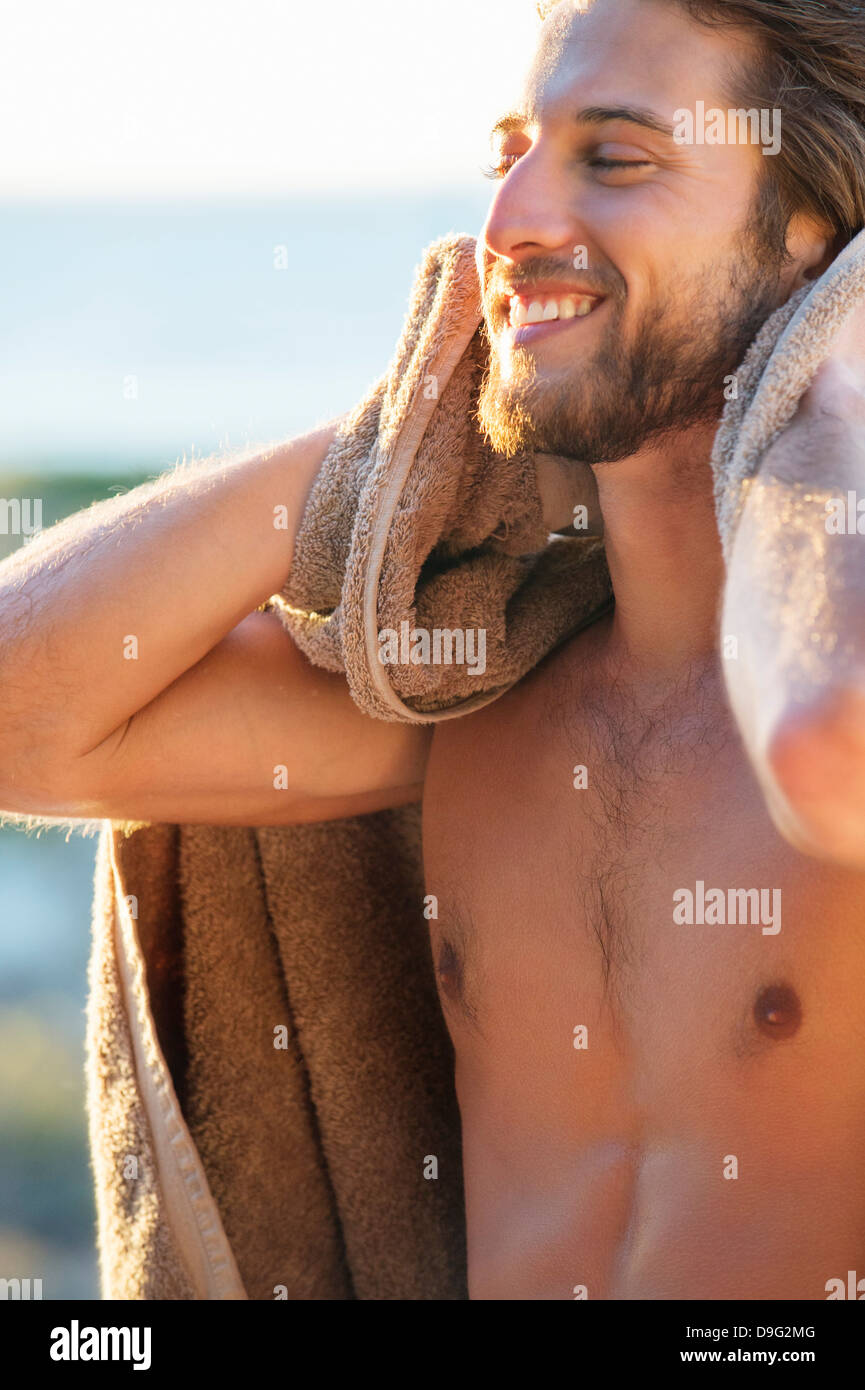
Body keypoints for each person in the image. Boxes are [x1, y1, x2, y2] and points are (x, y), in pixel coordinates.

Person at [2, 0, 865, 1299]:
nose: (508, 219)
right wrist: (396, 456)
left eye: (612, 158)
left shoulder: (828, 695)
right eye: (510, 152)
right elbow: (27, 719)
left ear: (814, 243)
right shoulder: (481, 717)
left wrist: (830, 412)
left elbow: (825, 752)